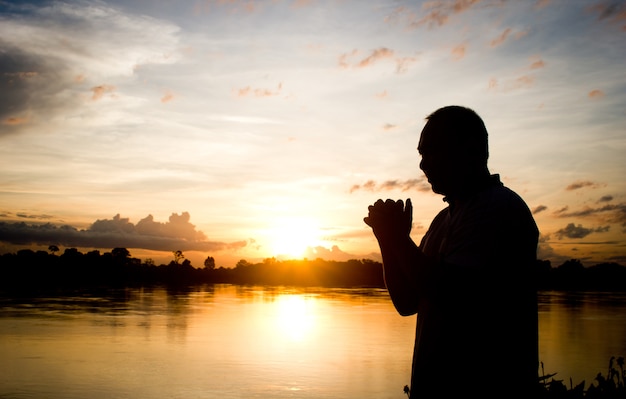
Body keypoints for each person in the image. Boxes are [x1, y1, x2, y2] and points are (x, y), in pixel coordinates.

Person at [364, 105, 539, 398]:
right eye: (421, 154)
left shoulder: (496, 208)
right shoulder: (443, 220)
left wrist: (398, 239)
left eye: (432, 151)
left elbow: (451, 294)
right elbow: (407, 302)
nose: (423, 165)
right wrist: (387, 238)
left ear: (470, 149)